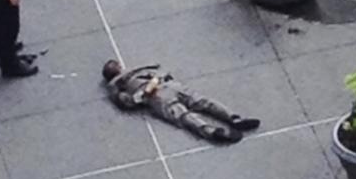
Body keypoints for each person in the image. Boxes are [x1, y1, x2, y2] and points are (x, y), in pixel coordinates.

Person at [102, 61, 260, 143]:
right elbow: (161, 70)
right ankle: (234, 118)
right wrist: (157, 80)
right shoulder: (140, 69)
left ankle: (211, 131)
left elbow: (129, 103)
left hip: (155, 98)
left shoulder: (118, 88)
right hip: (169, 86)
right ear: (119, 66)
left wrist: (144, 93)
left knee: (183, 115)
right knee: (203, 101)